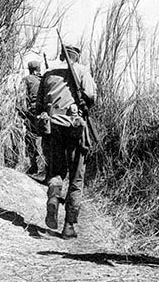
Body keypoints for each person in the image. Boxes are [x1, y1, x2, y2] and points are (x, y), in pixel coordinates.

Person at [36, 45, 96, 239]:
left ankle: (53, 198)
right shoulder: (81, 70)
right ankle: (69, 226)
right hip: (75, 128)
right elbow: (91, 96)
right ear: (76, 57)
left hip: (53, 127)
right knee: (76, 178)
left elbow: (38, 105)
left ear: (61, 56)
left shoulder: (48, 74)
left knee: (56, 171)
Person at [17, 60, 42, 175]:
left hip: (33, 114)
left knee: (30, 138)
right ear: (39, 68)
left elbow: (21, 98)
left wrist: (22, 112)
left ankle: (33, 165)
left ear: (30, 69)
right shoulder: (45, 79)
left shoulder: (26, 80)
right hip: (47, 114)